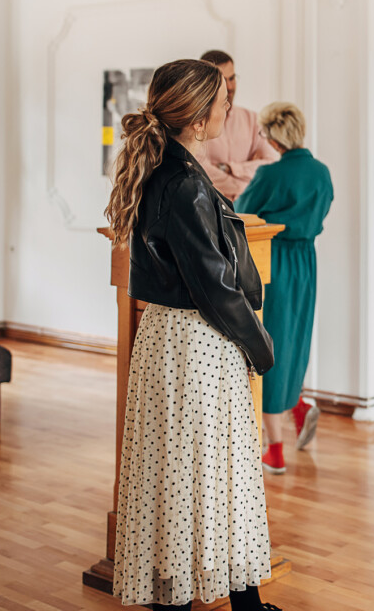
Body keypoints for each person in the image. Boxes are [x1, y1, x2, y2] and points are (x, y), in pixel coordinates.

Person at [104, 58, 282, 611]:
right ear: (200, 119)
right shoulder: (184, 184)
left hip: (171, 341)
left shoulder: (167, 170)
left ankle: (234, 602)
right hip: (197, 342)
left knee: (193, 475)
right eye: (224, 105)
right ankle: (181, 601)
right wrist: (260, 347)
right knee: (197, 479)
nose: (230, 111)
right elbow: (215, 288)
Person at [235, 102, 333, 474]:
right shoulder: (322, 173)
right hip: (306, 261)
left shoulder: (268, 175)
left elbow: (241, 212)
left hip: (273, 260)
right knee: (295, 337)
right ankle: (299, 405)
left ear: (274, 135)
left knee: (268, 341)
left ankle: (273, 448)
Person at [196, 50, 281, 201]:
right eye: (222, 80)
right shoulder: (195, 123)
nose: (229, 87)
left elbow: (272, 165)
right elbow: (201, 172)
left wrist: (230, 168)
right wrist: (248, 186)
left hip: (248, 215)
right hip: (208, 209)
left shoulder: (253, 120)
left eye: (232, 78)